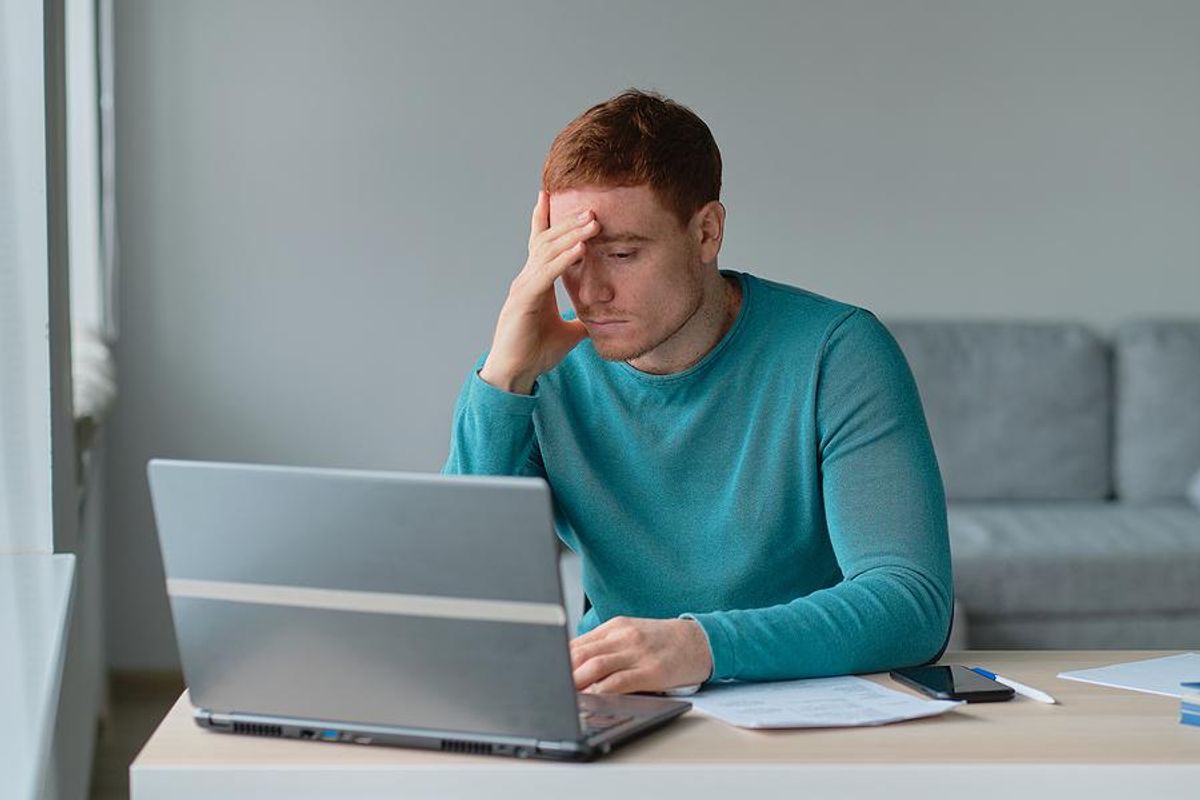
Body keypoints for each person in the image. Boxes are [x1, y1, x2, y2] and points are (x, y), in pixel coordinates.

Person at [443, 89, 952, 695]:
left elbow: (910, 602)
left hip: (800, 698)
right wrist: (501, 380)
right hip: (614, 701)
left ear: (706, 233)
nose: (589, 290)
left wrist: (701, 645)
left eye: (623, 254)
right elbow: (455, 596)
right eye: (569, 257)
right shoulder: (532, 370)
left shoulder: (836, 352)